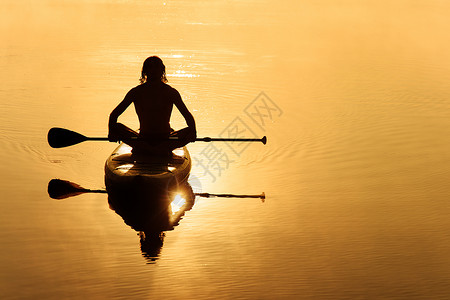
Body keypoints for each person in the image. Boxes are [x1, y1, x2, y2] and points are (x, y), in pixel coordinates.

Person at [108, 56, 197, 155]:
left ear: (162, 71)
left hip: (162, 139)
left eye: (156, 68)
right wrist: (112, 132)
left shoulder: (170, 92)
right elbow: (114, 115)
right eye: (151, 68)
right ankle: (157, 149)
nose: (153, 71)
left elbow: (188, 117)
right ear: (145, 71)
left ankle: (147, 148)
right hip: (145, 139)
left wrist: (192, 133)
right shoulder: (137, 92)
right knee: (117, 127)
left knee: (190, 130)